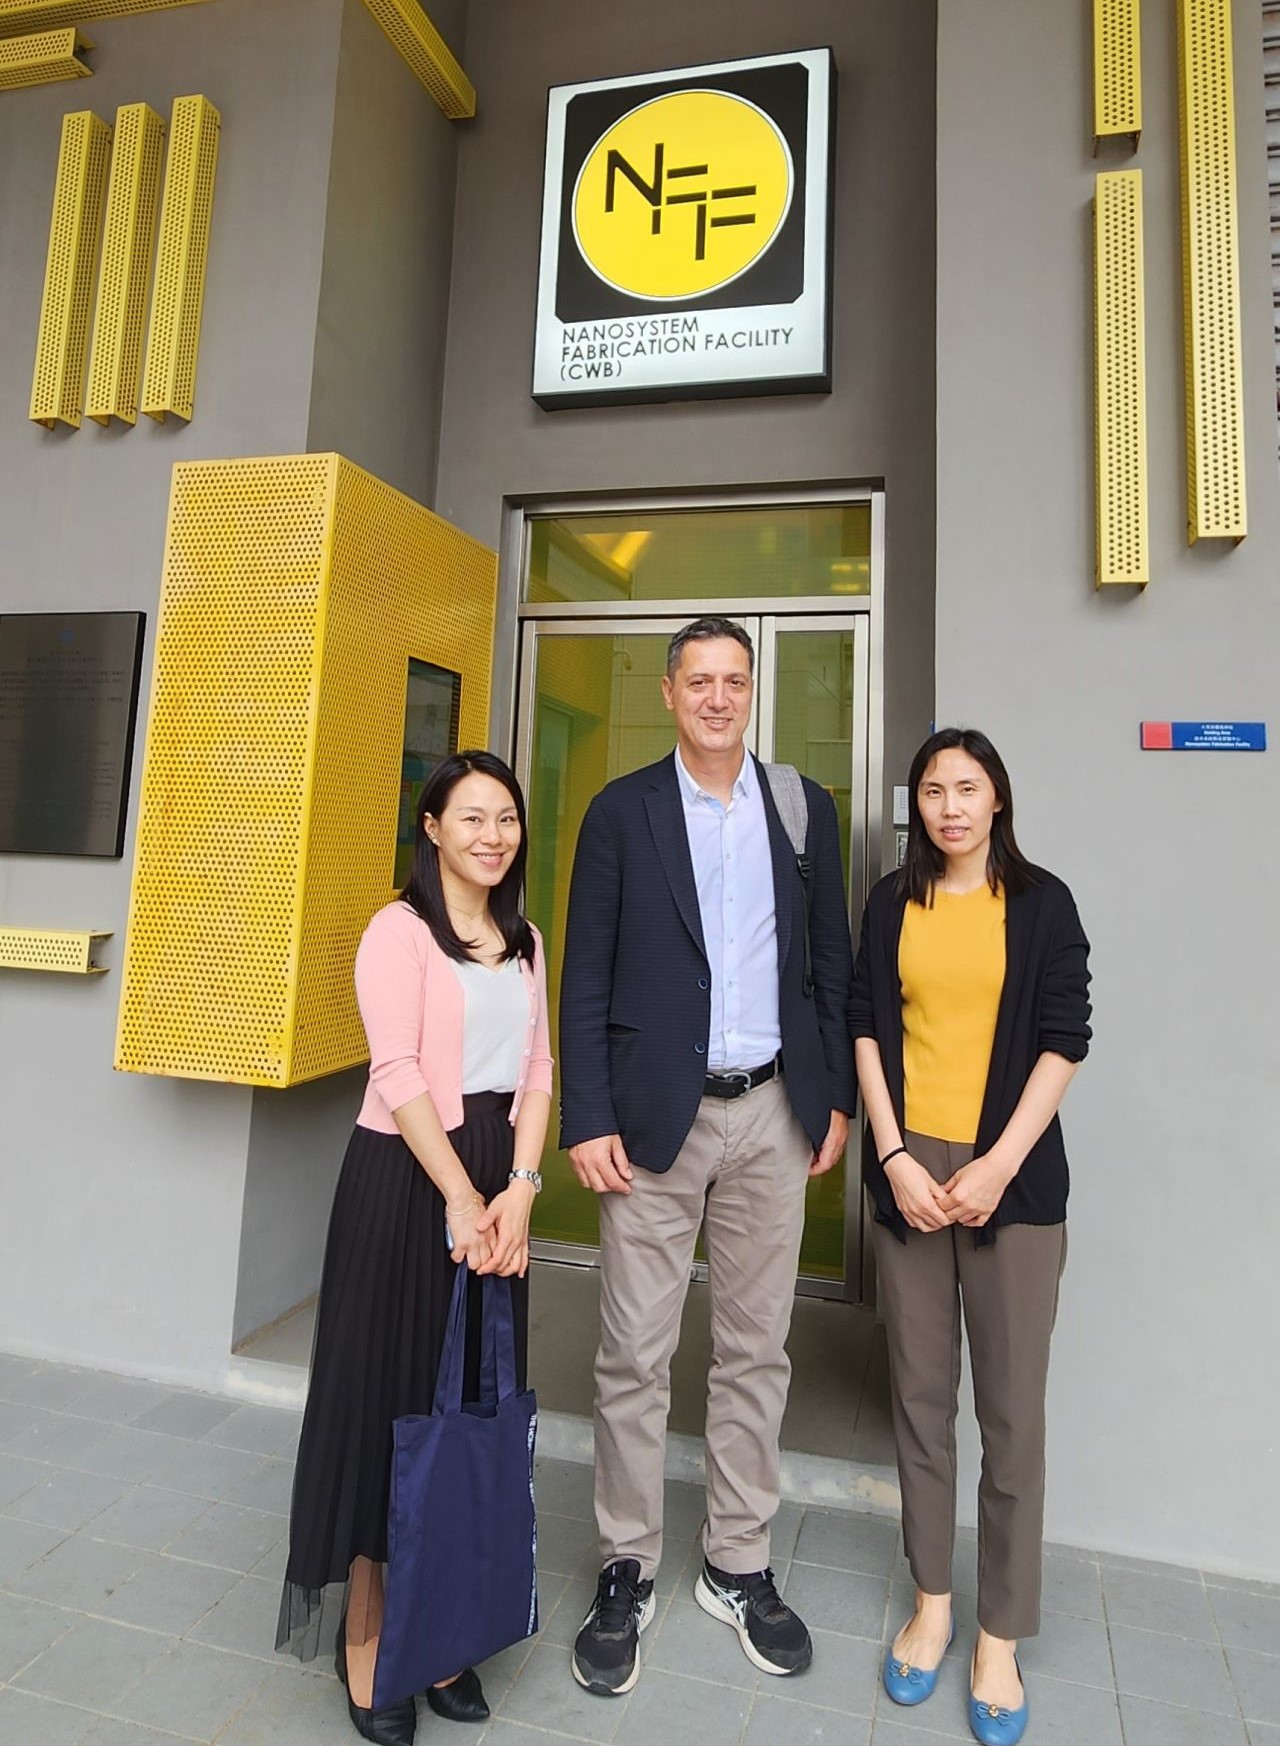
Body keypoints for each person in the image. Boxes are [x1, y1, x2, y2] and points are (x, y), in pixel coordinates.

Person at [559, 616, 856, 1697]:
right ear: (669, 694)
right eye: (700, 681)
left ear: (749, 693)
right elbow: (582, 971)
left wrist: (825, 1103)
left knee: (753, 1348)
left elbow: (827, 964)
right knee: (633, 1354)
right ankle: (626, 1565)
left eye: (735, 680)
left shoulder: (799, 808)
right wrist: (584, 1114)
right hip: (648, 1123)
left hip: (772, 1114)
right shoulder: (619, 811)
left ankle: (735, 1561)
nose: (719, 698)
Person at [276, 751, 553, 1746]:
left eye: (506, 818)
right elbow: (396, 1069)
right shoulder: (395, 934)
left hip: (492, 1173)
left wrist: (517, 1195)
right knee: (388, 1401)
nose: (492, 834)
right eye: (470, 816)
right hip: (406, 1176)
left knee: (470, 1407)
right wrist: (458, 1197)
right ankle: (369, 1634)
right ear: (429, 826)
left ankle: (441, 1632)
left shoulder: (523, 939)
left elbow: (537, 1069)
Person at [849, 727, 1091, 1746]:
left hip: (1012, 1181)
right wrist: (897, 1156)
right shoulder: (888, 901)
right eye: (931, 791)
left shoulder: (1041, 903)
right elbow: (863, 1024)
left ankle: (998, 1630)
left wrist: (993, 1164)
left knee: (1009, 1415)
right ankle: (933, 1603)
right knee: (917, 1399)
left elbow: (1062, 1037)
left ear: (996, 800)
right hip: (910, 1171)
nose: (948, 806)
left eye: (966, 788)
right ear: (916, 807)